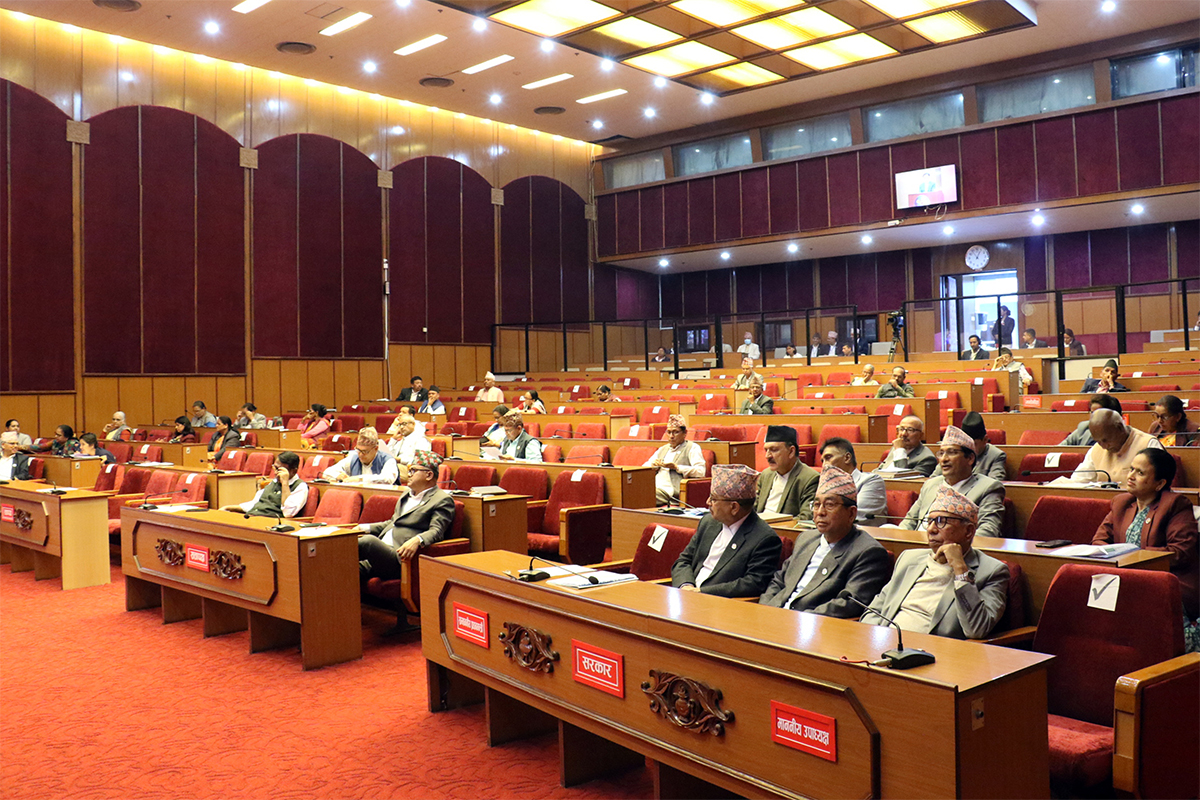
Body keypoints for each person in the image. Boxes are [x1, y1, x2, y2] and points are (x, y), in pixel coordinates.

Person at [860, 485, 1009, 640]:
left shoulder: (993, 571)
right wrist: (871, 638)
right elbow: (875, 610)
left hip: (932, 653)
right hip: (885, 643)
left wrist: (960, 570)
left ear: (969, 531)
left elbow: (977, 629)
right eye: (929, 521)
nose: (931, 529)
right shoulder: (909, 558)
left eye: (940, 522)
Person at [1093, 448, 1198, 652]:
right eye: (1131, 469)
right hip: (1124, 578)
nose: (1130, 476)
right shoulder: (1122, 503)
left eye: (1140, 473)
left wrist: (1132, 557)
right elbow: (1098, 541)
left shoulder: (1175, 504)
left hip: (1165, 582)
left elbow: (1180, 551)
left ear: (1160, 484)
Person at [759, 464, 891, 616]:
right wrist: (765, 610)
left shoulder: (868, 552)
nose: (820, 512)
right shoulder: (806, 538)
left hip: (814, 626)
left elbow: (849, 603)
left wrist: (798, 620)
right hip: (774, 617)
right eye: (816, 504)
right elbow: (779, 581)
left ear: (851, 513)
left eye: (829, 505)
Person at [671, 464, 781, 598]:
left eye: (714, 499)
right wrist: (686, 585)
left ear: (734, 507)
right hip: (687, 595)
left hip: (719, 605)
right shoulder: (708, 522)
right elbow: (683, 560)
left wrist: (701, 592)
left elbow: (753, 583)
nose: (707, 502)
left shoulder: (764, 539)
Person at [356, 450, 455, 582]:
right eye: (409, 470)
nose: (408, 474)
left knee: (368, 541)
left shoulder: (441, 499)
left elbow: (436, 531)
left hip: (400, 557)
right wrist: (363, 527)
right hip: (380, 554)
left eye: (413, 471)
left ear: (429, 475)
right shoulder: (406, 495)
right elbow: (392, 523)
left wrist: (417, 540)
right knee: (339, 569)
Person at [899, 425, 1005, 539]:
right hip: (918, 544)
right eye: (941, 453)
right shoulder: (931, 484)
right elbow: (909, 522)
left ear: (970, 458)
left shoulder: (988, 488)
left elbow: (987, 532)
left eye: (952, 452)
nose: (944, 459)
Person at [1070, 408, 1163, 485]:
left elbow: (1159, 484)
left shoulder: (1148, 444)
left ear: (1120, 428)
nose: (1103, 446)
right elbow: (1077, 482)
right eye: (1098, 441)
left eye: (1106, 440)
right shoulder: (1096, 449)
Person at [755, 425, 819, 521]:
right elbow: (754, 509)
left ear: (791, 451)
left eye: (774, 450)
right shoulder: (766, 475)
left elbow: (806, 518)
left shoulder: (810, 478)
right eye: (766, 450)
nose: (767, 456)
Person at [222, 451, 308, 518]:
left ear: (294, 471)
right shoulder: (274, 482)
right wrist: (229, 507)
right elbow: (255, 504)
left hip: (270, 523)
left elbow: (288, 513)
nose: (275, 472)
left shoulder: (300, 486)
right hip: (252, 517)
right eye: (275, 467)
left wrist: (285, 483)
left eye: (280, 470)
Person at [819, 437, 886, 522]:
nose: (824, 465)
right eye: (822, 461)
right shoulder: (825, 484)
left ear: (847, 458)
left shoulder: (872, 481)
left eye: (828, 458)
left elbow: (856, 515)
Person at [645, 415, 706, 506]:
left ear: (685, 433)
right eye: (669, 432)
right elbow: (644, 467)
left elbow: (700, 472)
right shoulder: (663, 449)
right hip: (654, 487)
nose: (671, 436)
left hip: (669, 491)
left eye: (675, 432)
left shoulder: (692, 448)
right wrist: (653, 465)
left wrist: (677, 467)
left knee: (641, 496)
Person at [324, 426, 399, 485]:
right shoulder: (354, 458)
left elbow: (387, 479)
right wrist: (338, 475)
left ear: (376, 448)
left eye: (365, 451)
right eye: (358, 450)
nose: (360, 454)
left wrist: (359, 479)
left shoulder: (388, 460)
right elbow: (327, 472)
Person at [960, 411, 1007, 481]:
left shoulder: (996, 455)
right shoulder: (955, 453)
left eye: (973, 444)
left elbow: (994, 484)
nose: (968, 449)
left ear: (985, 440)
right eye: (965, 444)